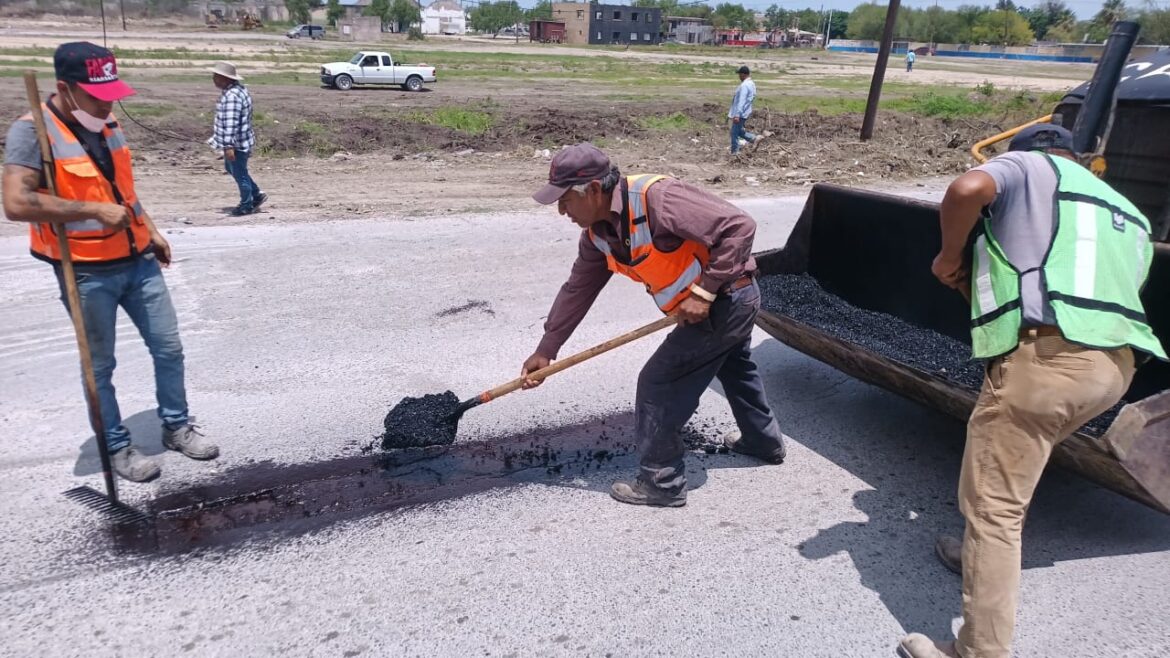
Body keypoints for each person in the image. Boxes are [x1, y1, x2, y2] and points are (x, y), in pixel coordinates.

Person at [898, 124, 1166, 658]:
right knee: (1017, 471)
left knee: (995, 508)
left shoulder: (1028, 166)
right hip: (1114, 371)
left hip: (1045, 361)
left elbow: (966, 190)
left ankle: (979, 650)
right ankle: (975, 555)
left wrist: (948, 258)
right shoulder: (1126, 211)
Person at [524, 143, 788, 508]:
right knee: (735, 367)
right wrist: (546, 350)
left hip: (728, 300)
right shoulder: (598, 236)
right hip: (721, 305)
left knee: (658, 382)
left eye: (565, 199)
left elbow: (740, 226)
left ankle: (661, 483)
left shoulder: (658, 199)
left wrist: (705, 292)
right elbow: (577, 290)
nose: (561, 210)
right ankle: (763, 441)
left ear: (595, 190)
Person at [1, 42, 219, 482]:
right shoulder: (32, 133)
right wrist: (91, 212)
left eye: (111, 93)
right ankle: (117, 448)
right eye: (98, 95)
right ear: (65, 88)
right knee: (99, 365)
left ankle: (177, 426)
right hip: (84, 270)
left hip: (137, 260)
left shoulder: (108, 123)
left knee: (169, 346)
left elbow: (121, 191)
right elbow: (16, 202)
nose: (107, 103)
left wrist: (151, 230)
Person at [208, 61, 266, 217]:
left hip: (236, 143)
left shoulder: (232, 97)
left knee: (239, 173)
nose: (213, 79)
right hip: (242, 139)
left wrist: (228, 146)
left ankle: (247, 204)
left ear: (224, 78)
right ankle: (257, 194)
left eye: (216, 76)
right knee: (232, 168)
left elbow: (230, 123)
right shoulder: (239, 90)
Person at [729, 65, 761, 155]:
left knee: (734, 133)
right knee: (739, 131)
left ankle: (735, 152)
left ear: (743, 74)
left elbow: (742, 100)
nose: (739, 76)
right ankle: (754, 138)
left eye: (739, 74)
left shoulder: (744, 85)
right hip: (746, 111)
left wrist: (737, 114)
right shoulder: (751, 84)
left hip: (741, 113)